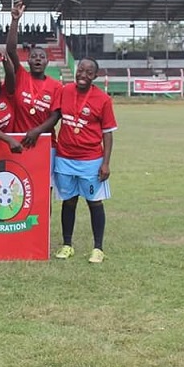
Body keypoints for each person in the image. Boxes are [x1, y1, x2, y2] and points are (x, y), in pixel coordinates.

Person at [53, 58, 117, 264]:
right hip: (64, 157)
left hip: (91, 159)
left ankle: (98, 248)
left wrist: (105, 163)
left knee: (94, 202)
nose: (83, 75)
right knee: (68, 201)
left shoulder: (103, 99)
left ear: (95, 76)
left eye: (89, 72)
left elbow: (108, 134)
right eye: (81, 70)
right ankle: (67, 245)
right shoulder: (65, 91)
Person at [5, 0, 63, 150]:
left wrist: (37, 131)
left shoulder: (56, 86)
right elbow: (11, 51)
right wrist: (15, 21)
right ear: (28, 60)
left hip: (44, 143)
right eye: (34, 56)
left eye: (42, 57)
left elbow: (55, 116)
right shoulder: (21, 75)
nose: (38, 58)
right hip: (19, 141)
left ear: (47, 62)